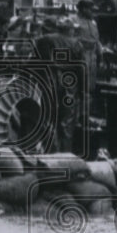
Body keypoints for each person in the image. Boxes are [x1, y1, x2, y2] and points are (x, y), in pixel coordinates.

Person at [33, 16, 80, 154]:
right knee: (66, 121)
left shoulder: (43, 40)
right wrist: (83, 91)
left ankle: (50, 154)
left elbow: (35, 64)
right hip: (69, 85)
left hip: (48, 83)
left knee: (48, 119)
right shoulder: (76, 43)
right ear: (70, 30)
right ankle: (65, 156)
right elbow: (81, 68)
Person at [74, 0, 102, 112]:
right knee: (79, 86)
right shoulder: (74, 21)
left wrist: (100, 52)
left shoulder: (93, 23)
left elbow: (96, 40)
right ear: (84, 9)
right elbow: (72, 40)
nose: (93, 12)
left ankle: (86, 115)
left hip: (92, 56)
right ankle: (78, 115)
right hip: (81, 55)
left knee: (90, 87)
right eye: (91, 10)